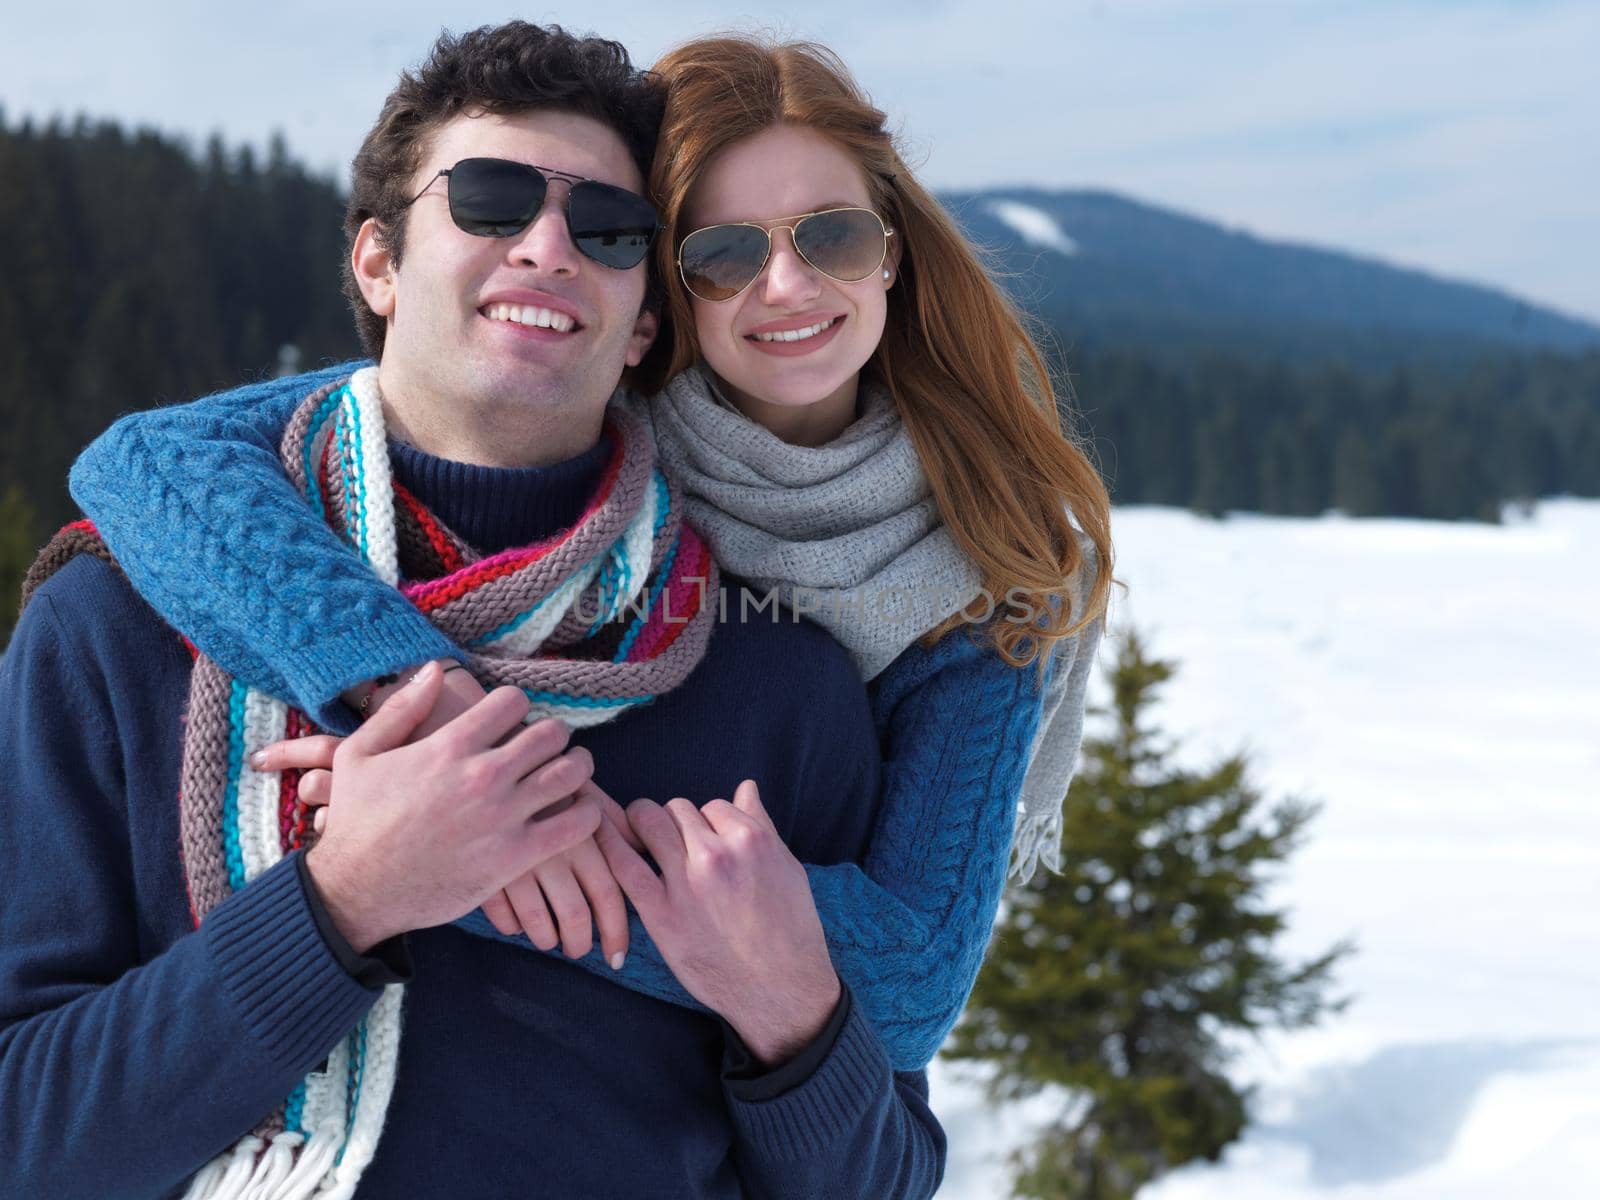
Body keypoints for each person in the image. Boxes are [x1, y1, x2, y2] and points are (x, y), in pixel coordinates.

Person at [0, 24, 948, 1199]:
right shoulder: (122, 626)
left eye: (609, 230)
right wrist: (343, 899)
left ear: (644, 318)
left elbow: (886, 1181)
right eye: (491, 200)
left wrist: (794, 1020)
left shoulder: (769, 678)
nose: (549, 246)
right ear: (377, 264)